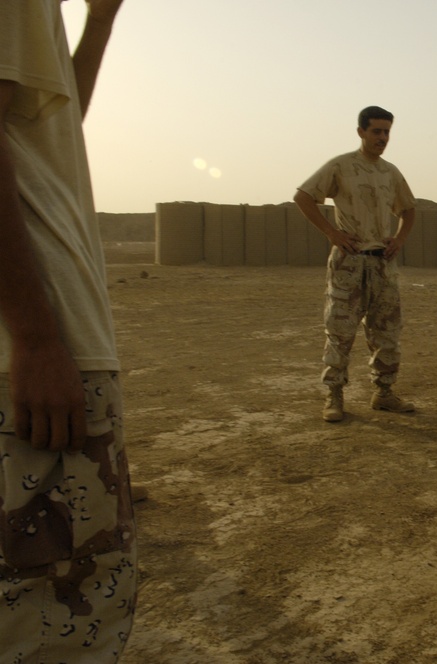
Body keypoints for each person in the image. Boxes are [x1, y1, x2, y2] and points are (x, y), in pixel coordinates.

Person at [0, 1, 138, 661]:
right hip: (40, 336)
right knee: (59, 618)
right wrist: (33, 334)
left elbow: (46, 125)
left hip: (42, 333)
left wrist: (99, 24)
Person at [293, 106, 417, 423]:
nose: (382, 138)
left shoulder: (390, 172)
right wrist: (332, 233)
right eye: (376, 131)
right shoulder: (341, 166)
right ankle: (334, 395)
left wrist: (399, 239)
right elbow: (304, 196)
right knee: (340, 331)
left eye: (387, 131)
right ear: (361, 131)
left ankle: (384, 393)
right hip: (349, 262)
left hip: (382, 264)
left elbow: (409, 208)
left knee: (387, 332)